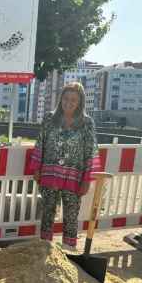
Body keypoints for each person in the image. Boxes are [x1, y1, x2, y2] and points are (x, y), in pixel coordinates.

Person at [28, 82, 101, 250]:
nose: (68, 103)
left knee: (71, 215)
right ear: (60, 99)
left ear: (80, 102)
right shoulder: (49, 118)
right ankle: (45, 249)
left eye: (73, 100)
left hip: (74, 178)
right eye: (66, 98)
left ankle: (69, 250)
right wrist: (37, 169)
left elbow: (91, 151)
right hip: (49, 174)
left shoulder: (87, 123)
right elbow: (41, 143)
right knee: (47, 213)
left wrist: (87, 180)